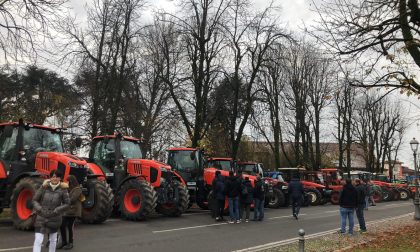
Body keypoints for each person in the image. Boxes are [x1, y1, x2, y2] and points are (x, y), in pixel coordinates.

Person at [32, 170, 70, 252]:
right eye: (53, 176)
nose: (54, 178)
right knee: (38, 240)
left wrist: (57, 210)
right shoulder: (44, 187)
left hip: (54, 218)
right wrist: (39, 209)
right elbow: (34, 200)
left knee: (53, 240)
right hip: (41, 217)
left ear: (60, 178)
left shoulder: (63, 190)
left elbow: (67, 204)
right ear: (50, 178)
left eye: (57, 176)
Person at [58, 175, 82, 250]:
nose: (67, 182)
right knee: (62, 225)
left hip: (73, 211)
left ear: (71, 181)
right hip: (67, 211)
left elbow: (73, 199)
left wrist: (64, 198)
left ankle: (70, 243)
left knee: (70, 227)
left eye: (68, 181)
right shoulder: (67, 189)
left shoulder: (77, 189)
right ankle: (64, 242)